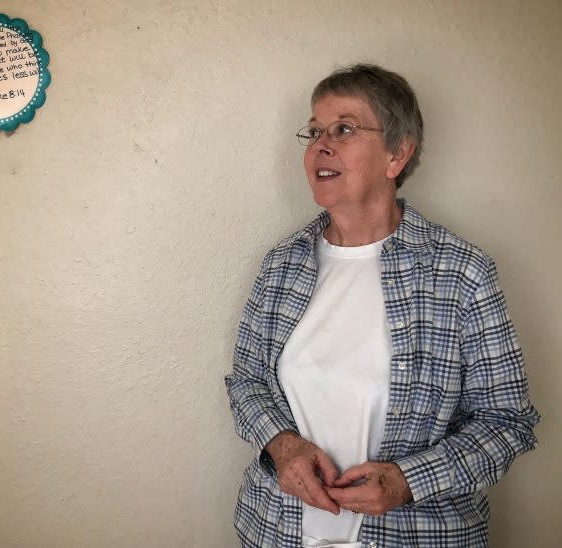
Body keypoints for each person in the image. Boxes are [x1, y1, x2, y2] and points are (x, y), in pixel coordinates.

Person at [224, 64, 540, 548]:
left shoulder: (462, 273)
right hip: (277, 532)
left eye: (344, 129)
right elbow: (246, 382)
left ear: (397, 154)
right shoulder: (282, 265)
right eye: (314, 131)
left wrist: (409, 480)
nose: (320, 145)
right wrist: (282, 446)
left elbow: (507, 423)